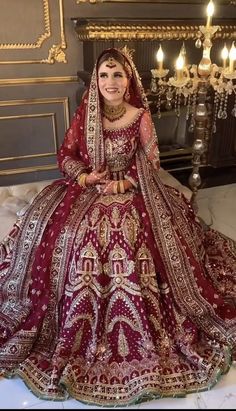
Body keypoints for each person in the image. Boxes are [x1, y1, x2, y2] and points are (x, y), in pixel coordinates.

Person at [0, 46, 235, 408]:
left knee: (128, 234)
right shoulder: (85, 114)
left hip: (132, 190)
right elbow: (66, 155)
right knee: (62, 232)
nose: (111, 82)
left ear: (129, 81)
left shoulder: (139, 116)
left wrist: (123, 184)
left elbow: (151, 161)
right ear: (96, 80)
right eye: (104, 75)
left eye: (118, 74)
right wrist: (84, 175)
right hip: (87, 189)